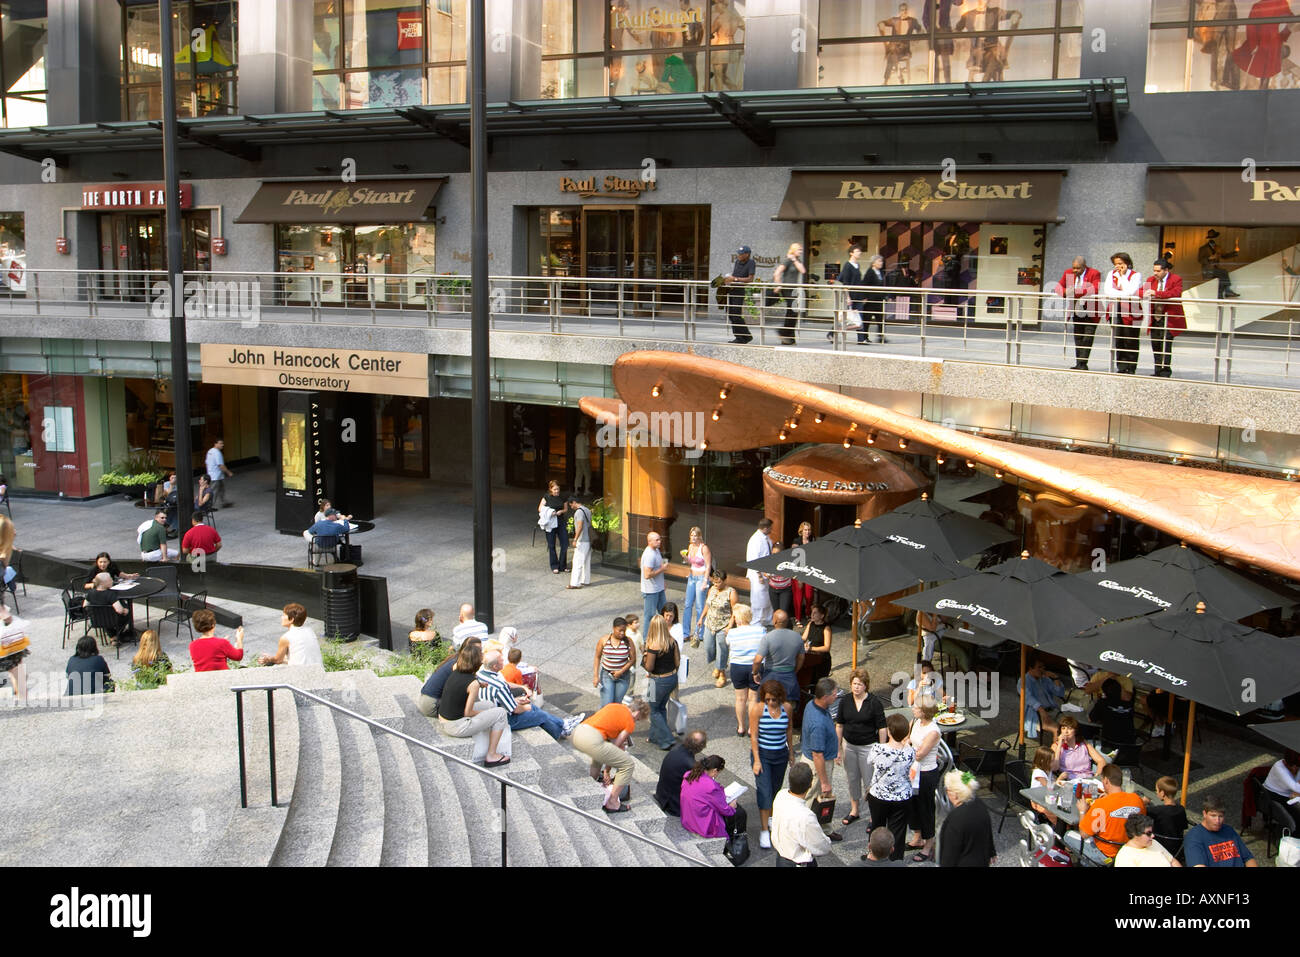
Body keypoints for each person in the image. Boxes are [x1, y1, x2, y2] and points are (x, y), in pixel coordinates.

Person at [477, 648, 583, 742]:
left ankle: (563, 725)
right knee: (539, 715)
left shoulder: (481, 674)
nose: (504, 661)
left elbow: (501, 700)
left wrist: (519, 701)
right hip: (504, 720)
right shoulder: (499, 685)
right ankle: (562, 730)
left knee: (534, 710)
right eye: (501, 660)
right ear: (495, 666)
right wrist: (526, 706)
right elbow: (514, 710)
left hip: (493, 712)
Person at [437, 641, 511, 767]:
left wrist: (479, 684)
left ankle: (488, 738)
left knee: (488, 704)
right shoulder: (473, 684)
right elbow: (468, 713)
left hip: (444, 718)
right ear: (476, 663)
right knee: (501, 713)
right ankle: (491, 755)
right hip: (456, 726)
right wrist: (487, 714)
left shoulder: (456, 671)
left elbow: (465, 684)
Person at [571, 700, 650, 812]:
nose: (635, 722)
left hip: (578, 733)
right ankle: (612, 802)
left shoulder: (613, 706)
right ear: (637, 713)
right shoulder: (629, 722)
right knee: (628, 764)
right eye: (637, 719)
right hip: (592, 739)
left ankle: (591, 783)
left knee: (599, 753)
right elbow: (616, 747)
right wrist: (607, 771)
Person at [837, 668, 888, 830]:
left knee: (869, 782)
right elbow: (839, 724)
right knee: (852, 779)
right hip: (849, 745)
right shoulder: (845, 701)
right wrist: (838, 747)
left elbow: (882, 728)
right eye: (854, 684)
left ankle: (874, 816)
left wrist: (881, 749)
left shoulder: (874, 703)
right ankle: (854, 810)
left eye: (859, 684)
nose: (856, 687)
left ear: (866, 685)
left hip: (868, 747)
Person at [1067, 763, 1146, 864]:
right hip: (1130, 849)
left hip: (1106, 854)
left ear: (1106, 781)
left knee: (1067, 835)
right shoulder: (1137, 799)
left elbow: (1084, 834)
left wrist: (1082, 811)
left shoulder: (1101, 804)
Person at [750, 679, 794, 850]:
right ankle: (763, 831)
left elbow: (789, 730)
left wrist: (791, 753)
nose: (770, 702)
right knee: (765, 792)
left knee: (775, 791)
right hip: (763, 755)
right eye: (767, 699)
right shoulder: (758, 709)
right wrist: (757, 760)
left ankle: (771, 820)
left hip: (780, 755)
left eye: (773, 700)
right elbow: (754, 736)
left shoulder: (787, 708)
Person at [867, 712, 916, 862]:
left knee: (877, 826)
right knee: (898, 833)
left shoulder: (877, 749)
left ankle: (874, 856)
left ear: (889, 731)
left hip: (879, 796)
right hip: (902, 796)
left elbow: (869, 761)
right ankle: (895, 861)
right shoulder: (910, 752)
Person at [800, 676, 844, 842]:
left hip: (820, 759)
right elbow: (817, 754)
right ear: (825, 697)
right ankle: (807, 834)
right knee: (812, 799)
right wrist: (825, 781)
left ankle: (825, 828)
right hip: (818, 764)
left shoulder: (812, 704)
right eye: (834, 693)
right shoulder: (817, 723)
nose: (837, 696)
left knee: (822, 799)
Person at [770, 763, 833, 867]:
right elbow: (821, 846)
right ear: (810, 784)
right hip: (797, 862)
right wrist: (828, 841)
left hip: (781, 858)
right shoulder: (806, 816)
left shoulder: (781, 795)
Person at [906, 696, 943, 862]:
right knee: (913, 805)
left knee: (925, 808)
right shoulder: (915, 721)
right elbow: (906, 738)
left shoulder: (933, 731)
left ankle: (929, 843)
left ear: (924, 711)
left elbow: (920, 754)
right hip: (913, 770)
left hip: (927, 773)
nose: (913, 708)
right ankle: (917, 837)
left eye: (916, 707)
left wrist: (906, 748)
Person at [938, 770, 996, 867]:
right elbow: (987, 831)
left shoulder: (955, 818)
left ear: (955, 794)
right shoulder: (979, 804)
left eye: (947, 789)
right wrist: (991, 851)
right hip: (981, 861)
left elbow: (950, 854)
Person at [680, 755, 746, 840]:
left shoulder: (689, 774)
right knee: (740, 813)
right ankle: (734, 842)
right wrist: (732, 807)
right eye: (718, 772)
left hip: (688, 818)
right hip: (701, 824)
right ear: (715, 770)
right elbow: (725, 810)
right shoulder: (711, 787)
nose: (717, 774)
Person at [723, 604, 765, 737]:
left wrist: (729, 630)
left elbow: (728, 643)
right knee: (753, 698)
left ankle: (741, 727)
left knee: (740, 699)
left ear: (738, 618)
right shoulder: (761, 630)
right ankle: (752, 728)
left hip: (738, 666)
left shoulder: (732, 633)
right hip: (755, 666)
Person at [1056, 256, 1103, 370]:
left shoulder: (1094, 273)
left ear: (1084, 267)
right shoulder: (1068, 273)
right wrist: (1065, 292)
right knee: (1078, 337)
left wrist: (1074, 292)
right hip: (1077, 310)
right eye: (1074, 268)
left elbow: (1094, 289)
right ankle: (1079, 363)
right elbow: (1058, 287)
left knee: (1087, 337)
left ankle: (1083, 363)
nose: (1075, 270)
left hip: (1091, 311)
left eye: (1078, 268)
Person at [1142, 259, 1187, 378]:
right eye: (1154, 270)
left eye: (1158, 271)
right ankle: (1157, 370)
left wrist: (1156, 293)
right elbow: (1143, 291)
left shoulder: (1176, 279)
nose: (1155, 273)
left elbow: (1176, 293)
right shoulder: (1150, 280)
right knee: (1156, 343)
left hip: (1169, 317)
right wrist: (1144, 294)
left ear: (1166, 270)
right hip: (1155, 317)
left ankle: (1165, 370)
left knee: (1166, 344)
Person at [1184, 794, 1256, 867]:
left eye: (1220, 816)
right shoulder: (1194, 837)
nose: (1217, 821)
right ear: (1204, 814)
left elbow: (1248, 858)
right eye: (1213, 816)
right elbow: (1198, 865)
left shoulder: (1229, 830)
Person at [642, 614, 680, 749]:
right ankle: (654, 736)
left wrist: (645, 656)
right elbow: (677, 662)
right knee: (660, 708)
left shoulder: (653, 645)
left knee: (652, 710)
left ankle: (667, 739)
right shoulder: (672, 641)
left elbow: (649, 667)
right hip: (672, 678)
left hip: (657, 681)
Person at [416, 636, 480, 719]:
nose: (480, 652)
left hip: (425, 700)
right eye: (478, 649)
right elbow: (461, 688)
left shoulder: (457, 658)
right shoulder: (458, 665)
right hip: (431, 705)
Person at [1102, 252, 1144, 375]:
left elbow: (1131, 291)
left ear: (1127, 263)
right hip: (1116, 308)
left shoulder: (1136, 275)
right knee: (1119, 338)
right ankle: (1121, 365)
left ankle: (1131, 367)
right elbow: (1108, 291)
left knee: (1130, 338)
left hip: (1132, 310)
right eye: (1116, 264)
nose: (1118, 266)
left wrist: (1123, 276)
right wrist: (1121, 294)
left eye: (1120, 263)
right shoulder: (1111, 274)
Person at [752, 608, 804, 704]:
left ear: (774, 621)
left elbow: (757, 661)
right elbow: (801, 658)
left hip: (771, 677)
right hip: (790, 678)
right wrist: (795, 671)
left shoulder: (768, 637)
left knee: (765, 707)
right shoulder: (798, 637)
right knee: (788, 711)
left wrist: (755, 673)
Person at [654, 729, 707, 815]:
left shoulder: (677, 749)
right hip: (673, 804)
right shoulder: (690, 763)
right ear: (701, 747)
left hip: (661, 794)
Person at [701, 566, 737, 688]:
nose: (716, 584)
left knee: (722, 650)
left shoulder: (731, 592)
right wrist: (701, 618)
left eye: (718, 582)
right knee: (708, 647)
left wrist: (730, 626)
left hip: (723, 625)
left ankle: (722, 674)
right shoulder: (712, 589)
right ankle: (717, 665)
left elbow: (735, 611)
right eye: (714, 581)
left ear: (725, 580)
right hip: (709, 623)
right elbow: (707, 604)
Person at [257, 602, 324, 667]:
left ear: (291, 619)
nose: (281, 617)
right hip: (318, 671)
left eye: (284, 615)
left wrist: (268, 659)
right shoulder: (310, 631)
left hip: (301, 674)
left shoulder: (286, 637)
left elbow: (278, 660)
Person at [1051, 715, 1109, 782]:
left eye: (1069, 728)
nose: (1066, 732)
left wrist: (1097, 776)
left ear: (1075, 731)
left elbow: (1101, 761)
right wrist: (1060, 745)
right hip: (1069, 780)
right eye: (1063, 728)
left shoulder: (1083, 743)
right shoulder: (1055, 746)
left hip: (1088, 779)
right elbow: (1054, 768)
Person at [593, 616, 635, 707]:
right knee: (607, 703)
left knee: (616, 704)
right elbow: (597, 657)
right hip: (607, 675)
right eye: (620, 630)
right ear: (613, 628)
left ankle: (614, 721)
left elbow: (632, 659)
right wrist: (596, 676)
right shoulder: (604, 640)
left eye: (624, 630)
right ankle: (603, 720)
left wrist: (621, 671)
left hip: (623, 676)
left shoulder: (628, 641)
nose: (622, 633)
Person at [1019, 657, 1065, 740]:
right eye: (1039, 667)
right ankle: (1056, 751)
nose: (1042, 670)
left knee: (1071, 726)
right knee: (1057, 729)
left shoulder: (1045, 679)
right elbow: (1028, 698)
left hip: (1052, 711)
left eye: (1043, 667)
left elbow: (1059, 693)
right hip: (1035, 715)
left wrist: (1055, 677)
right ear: (1030, 668)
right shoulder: (1023, 681)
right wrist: (1041, 710)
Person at [1114, 813, 1181, 867]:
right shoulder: (1124, 858)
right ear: (1135, 834)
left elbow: (1172, 861)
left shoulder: (1152, 842)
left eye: (1152, 832)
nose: (1153, 836)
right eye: (1148, 833)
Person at [681, 526, 711, 645]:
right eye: (691, 535)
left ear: (699, 536)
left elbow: (708, 566)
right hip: (692, 577)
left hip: (701, 578)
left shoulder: (704, 548)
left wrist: (705, 581)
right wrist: (685, 557)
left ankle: (699, 633)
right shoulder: (690, 546)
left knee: (699, 606)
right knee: (687, 605)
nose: (693, 538)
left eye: (695, 535)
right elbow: (690, 562)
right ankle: (685, 633)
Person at [83, 572, 133, 641]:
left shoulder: (90, 593)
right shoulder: (110, 594)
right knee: (127, 614)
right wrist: (126, 610)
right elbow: (119, 610)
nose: (112, 581)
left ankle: (112, 635)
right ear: (103, 583)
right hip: (112, 620)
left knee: (104, 616)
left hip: (96, 620)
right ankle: (117, 635)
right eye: (110, 580)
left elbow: (85, 606)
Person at [772, 242, 806, 345]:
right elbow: (777, 272)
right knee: (793, 311)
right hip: (787, 289)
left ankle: (789, 337)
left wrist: (794, 259)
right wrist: (778, 285)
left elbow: (803, 270)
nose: (801, 251)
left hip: (793, 289)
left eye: (801, 250)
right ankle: (783, 332)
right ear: (794, 250)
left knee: (792, 312)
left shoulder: (796, 260)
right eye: (799, 250)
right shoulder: (787, 260)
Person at [830, 243, 864, 343]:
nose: (859, 253)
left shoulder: (857, 265)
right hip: (849, 295)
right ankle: (831, 333)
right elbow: (845, 282)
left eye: (859, 251)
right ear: (851, 253)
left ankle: (861, 339)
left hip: (857, 295)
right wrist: (847, 297)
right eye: (857, 251)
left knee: (859, 316)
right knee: (844, 317)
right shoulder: (847, 266)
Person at [1148, 775, 1189, 859]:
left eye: (1157, 790)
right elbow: (1184, 826)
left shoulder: (1157, 811)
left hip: (1160, 848)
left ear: (1162, 793)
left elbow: (1140, 809)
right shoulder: (1181, 809)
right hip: (1177, 850)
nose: (1156, 793)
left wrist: (1143, 801)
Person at [723, 245, 756, 344]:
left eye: (741, 254)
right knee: (731, 314)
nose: (739, 255)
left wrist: (735, 279)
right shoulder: (737, 262)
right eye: (739, 253)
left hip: (739, 290)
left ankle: (743, 337)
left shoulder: (751, 263)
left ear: (747, 254)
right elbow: (735, 275)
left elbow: (750, 279)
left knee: (736, 314)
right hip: (732, 289)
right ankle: (743, 336)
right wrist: (728, 279)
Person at [745, 517, 773, 628]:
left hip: (766, 573)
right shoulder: (755, 540)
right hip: (757, 574)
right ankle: (756, 620)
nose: (771, 529)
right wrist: (759, 575)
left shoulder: (767, 538)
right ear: (765, 528)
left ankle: (767, 619)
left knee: (767, 597)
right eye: (770, 528)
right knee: (758, 598)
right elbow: (753, 558)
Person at [1089, 678, 1136, 744]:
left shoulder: (1102, 703)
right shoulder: (1130, 704)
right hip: (1129, 743)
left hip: (1109, 743)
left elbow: (1091, 719)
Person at [538, 480, 569, 575]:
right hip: (550, 522)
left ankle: (562, 565)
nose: (557, 491)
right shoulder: (546, 496)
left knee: (565, 543)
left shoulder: (563, 496)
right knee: (551, 544)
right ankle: (554, 565)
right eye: (555, 489)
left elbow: (566, 509)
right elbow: (540, 509)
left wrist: (561, 512)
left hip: (560, 521)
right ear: (550, 489)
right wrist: (550, 512)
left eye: (558, 489)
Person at [1197, 229, 1238, 298]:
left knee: (1222, 276)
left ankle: (1221, 294)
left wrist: (1235, 252)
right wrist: (1209, 258)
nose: (1213, 239)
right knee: (1223, 272)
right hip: (1208, 270)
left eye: (1214, 237)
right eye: (1211, 238)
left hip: (1215, 269)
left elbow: (1224, 256)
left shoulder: (1218, 247)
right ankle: (1226, 291)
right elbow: (1200, 260)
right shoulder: (1203, 248)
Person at [1028, 746, 1061, 830]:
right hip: (1037, 800)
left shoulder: (1047, 769)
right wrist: (1060, 779)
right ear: (1043, 761)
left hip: (1047, 797)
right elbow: (1048, 787)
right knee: (1055, 813)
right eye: (1052, 761)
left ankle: (1060, 827)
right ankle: (1057, 829)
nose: (1054, 762)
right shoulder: (1038, 772)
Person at [639, 531, 666, 624]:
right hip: (651, 591)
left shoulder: (656, 550)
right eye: (657, 540)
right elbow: (647, 575)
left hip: (659, 588)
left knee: (665, 613)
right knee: (650, 616)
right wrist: (662, 569)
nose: (659, 541)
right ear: (649, 542)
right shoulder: (649, 555)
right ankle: (646, 638)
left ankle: (664, 635)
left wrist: (662, 583)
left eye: (660, 539)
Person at [791, 522, 816, 622]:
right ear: (801, 531)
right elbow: (794, 560)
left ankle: (808, 614)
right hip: (798, 572)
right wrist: (798, 576)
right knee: (798, 597)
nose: (807, 532)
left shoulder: (812, 540)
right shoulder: (796, 541)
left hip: (809, 571)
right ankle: (798, 618)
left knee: (809, 596)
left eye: (809, 530)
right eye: (805, 530)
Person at [861, 254, 889, 344]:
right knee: (867, 319)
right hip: (870, 300)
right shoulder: (870, 272)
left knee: (880, 319)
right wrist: (865, 297)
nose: (881, 263)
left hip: (879, 300)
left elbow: (882, 286)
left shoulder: (881, 272)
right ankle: (865, 336)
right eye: (879, 261)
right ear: (873, 263)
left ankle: (881, 336)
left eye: (881, 261)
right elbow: (864, 285)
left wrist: (885, 296)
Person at [567, 494, 592, 589]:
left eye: (571, 505)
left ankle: (575, 583)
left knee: (577, 561)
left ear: (574, 502)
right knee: (586, 561)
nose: (571, 507)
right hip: (589, 538)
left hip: (582, 540)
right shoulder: (587, 510)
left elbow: (580, 526)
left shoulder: (578, 512)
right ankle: (586, 580)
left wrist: (575, 539)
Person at [765, 544, 794, 617]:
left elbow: (792, 572)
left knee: (783, 612)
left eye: (777, 553)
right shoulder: (769, 561)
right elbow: (765, 572)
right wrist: (767, 575)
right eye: (773, 553)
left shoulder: (787, 562)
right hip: (773, 589)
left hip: (785, 589)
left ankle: (784, 626)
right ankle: (777, 627)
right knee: (776, 612)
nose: (774, 555)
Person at [205, 438, 233, 508]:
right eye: (220, 443)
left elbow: (206, 463)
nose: (222, 445)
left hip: (214, 475)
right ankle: (209, 506)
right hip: (216, 476)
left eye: (222, 443)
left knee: (221, 489)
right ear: (215, 444)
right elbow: (221, 465)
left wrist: (209, 471)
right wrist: (228, 472)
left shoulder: (210, 451)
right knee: (214, 491)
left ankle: (223, 502)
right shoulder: (217, 453)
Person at [573, 425, 592, 497]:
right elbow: (587, 448)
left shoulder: (577, 437)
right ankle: (586, 490)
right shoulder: (585, 437)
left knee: (578, 474)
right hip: (585, 458)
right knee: (587, 474)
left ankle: (576, 490)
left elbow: (575, 448)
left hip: (578, 458)